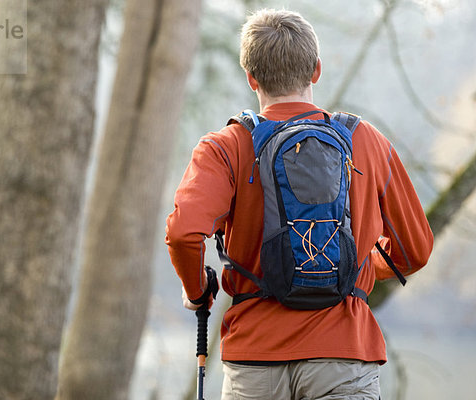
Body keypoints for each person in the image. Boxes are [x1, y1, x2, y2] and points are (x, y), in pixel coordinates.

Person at [165, 8, 434, 400]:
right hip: (344, 357)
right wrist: (354, 263)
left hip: (254, 362)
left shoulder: (225, 147)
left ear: (251, 77)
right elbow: (415, 250)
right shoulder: (366, 142)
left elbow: (184, 233)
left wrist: (196, 291)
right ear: (316, 70)